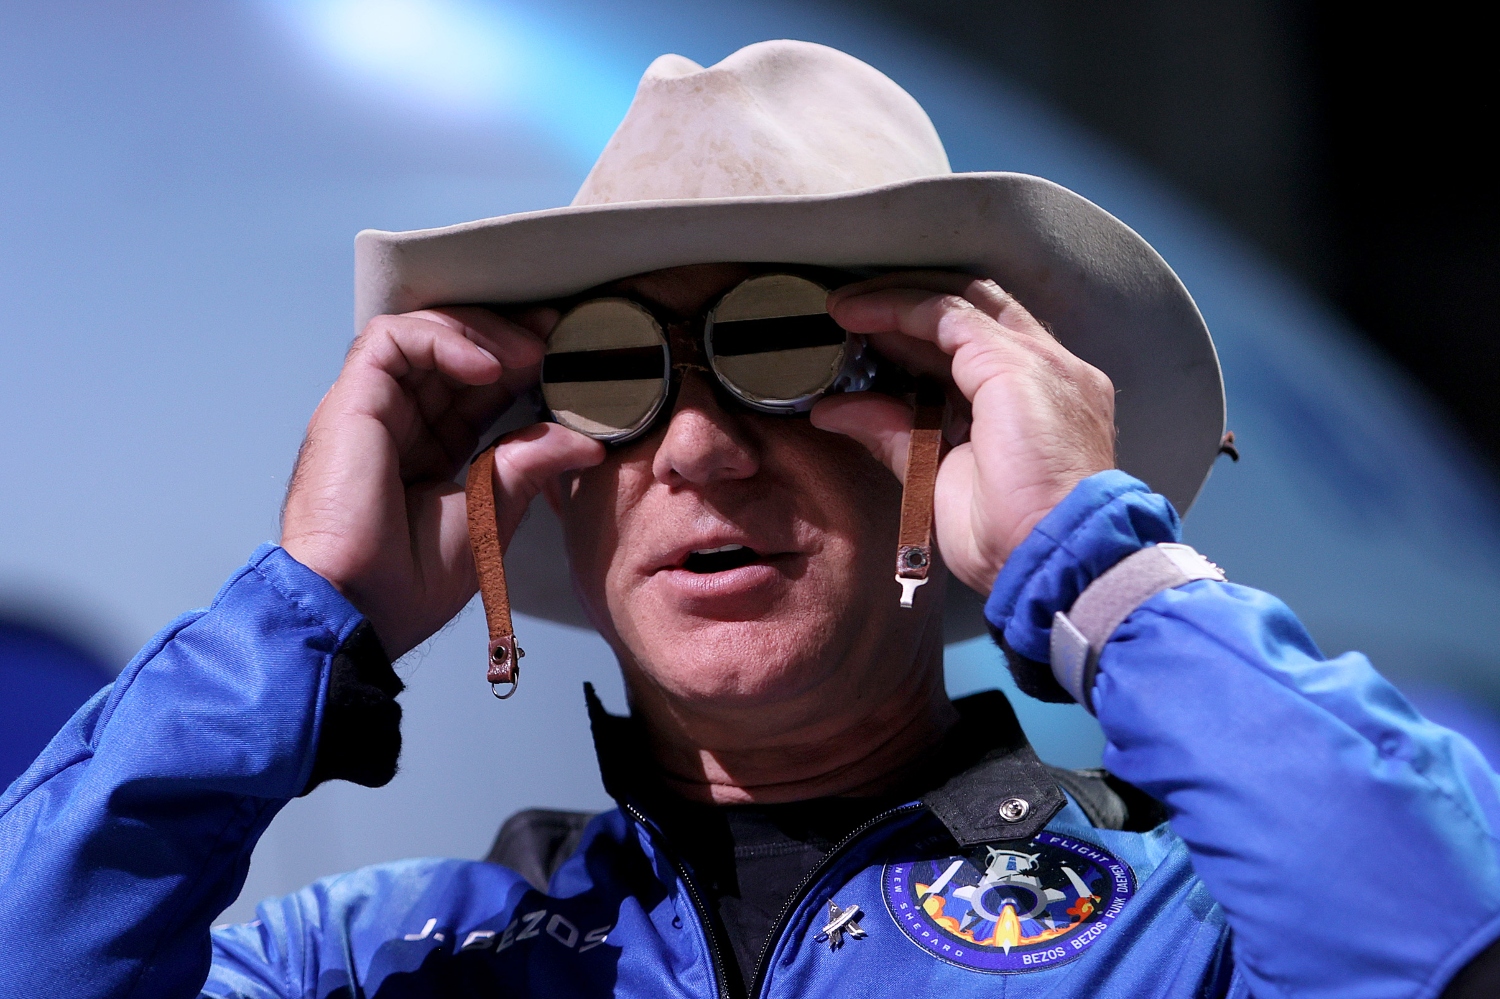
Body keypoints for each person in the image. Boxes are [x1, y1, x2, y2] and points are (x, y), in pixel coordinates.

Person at [1, 39, 1496, 999]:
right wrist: (302, 612)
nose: (701, 450)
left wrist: (1092, 560)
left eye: (789, 359)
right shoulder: (366, 963)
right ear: (550, 472)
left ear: (953, 432)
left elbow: (1436, 933)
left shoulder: (1186, 936)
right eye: (612, 377)